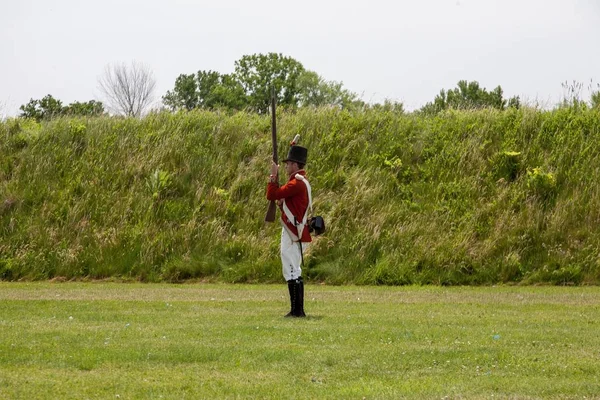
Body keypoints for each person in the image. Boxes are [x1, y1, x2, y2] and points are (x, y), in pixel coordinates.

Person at [266, 144, 312, 317]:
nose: (285, 166)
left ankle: (297, 311)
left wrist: (273, 176)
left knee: (292, 270)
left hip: (294, 233)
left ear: (295, 164)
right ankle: (296, 310)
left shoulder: (297, 183)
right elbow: (288, 206)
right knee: (292, 269)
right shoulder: (299, 182)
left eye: (288, 163)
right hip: (294, 230)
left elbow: (272, 194)